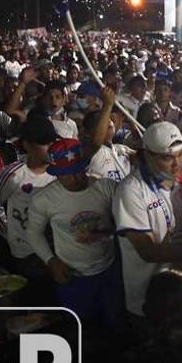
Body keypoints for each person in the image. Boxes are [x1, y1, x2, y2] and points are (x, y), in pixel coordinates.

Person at [113, 121, 182, 326]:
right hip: (150, 298)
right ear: (147, 155)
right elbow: (149, 252)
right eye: (167, 158)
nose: (177, 164)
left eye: (180, 154)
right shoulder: (131, 190)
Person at [23, 137, 120, 328]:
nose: (72, 179)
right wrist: (51, 262)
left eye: (76, 172)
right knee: (80, 329)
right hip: (73, 278)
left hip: (110, 271)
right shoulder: (44, 200)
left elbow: (124, 222)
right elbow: (33, 233)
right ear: (55, 174)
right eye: (64, 174)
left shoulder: (107, 187)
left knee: (114, 324)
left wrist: (107, 231)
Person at [0, 114, 57, 268]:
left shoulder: (61, 171)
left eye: (53, 142)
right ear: (28, 145)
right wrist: (11, 233)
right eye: (44, 143)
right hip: (27, 254)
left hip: (56, 250)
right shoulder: (14, 174)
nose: (52, 148)